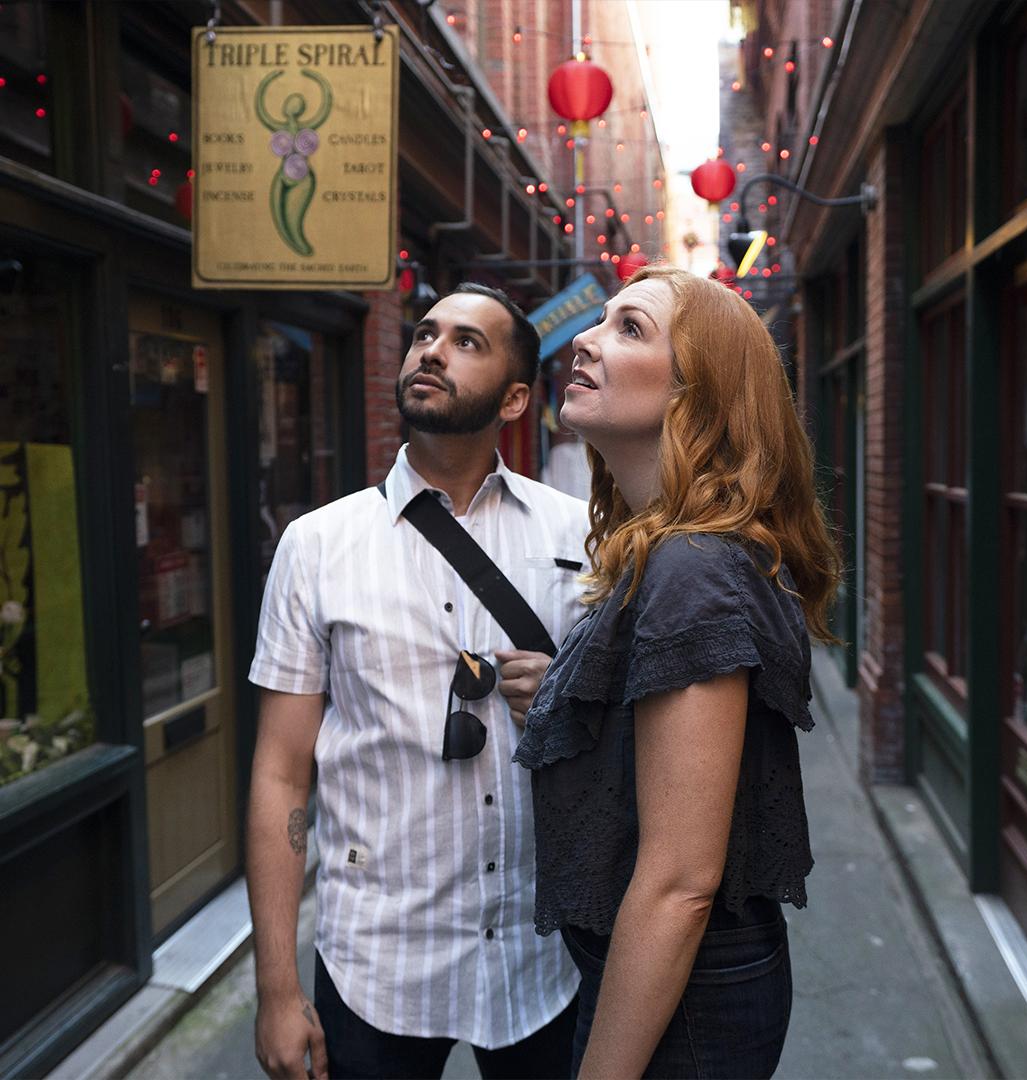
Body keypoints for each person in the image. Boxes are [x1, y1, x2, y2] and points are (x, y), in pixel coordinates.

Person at [247, 283, 589, 1080]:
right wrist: (275, 986)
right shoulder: (317, 545)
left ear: (513, 398)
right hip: (377, 959)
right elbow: (279, 770)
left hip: (544, 952)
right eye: (425, 334)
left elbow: (647, 742)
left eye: (468, 341)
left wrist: (573, 703)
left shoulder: (582, 535)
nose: (431, 349)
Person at [513, 265, 843, 1079]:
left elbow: (680, 883)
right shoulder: (673, 551)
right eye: (602, 321)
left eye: (630, 329)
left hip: (686, 1009)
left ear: (696, 397)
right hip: (681, 989)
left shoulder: (693, 566)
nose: (585, 339)